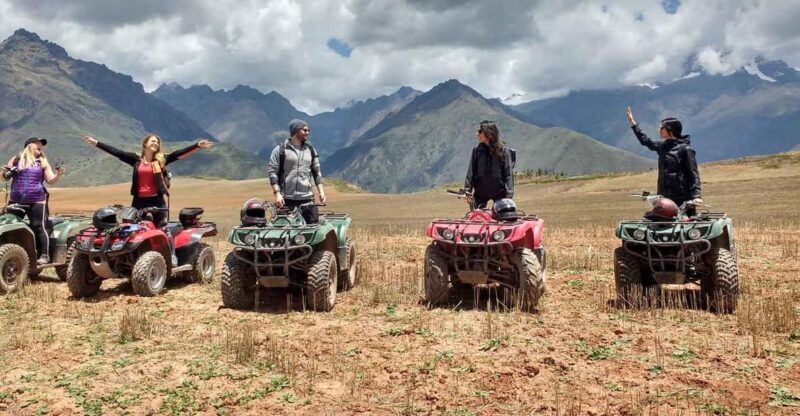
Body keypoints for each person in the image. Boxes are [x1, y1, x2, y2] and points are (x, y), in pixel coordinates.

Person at [82, 134, 214, 225]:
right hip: (138, 202)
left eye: (157, 142)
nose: (156, 143)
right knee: (135, 230)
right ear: (145, 144)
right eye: (153, 141)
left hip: (157, 201)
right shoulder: (135, 159)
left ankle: (168, 254)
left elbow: (178, 154)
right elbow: (117, 153)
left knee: (160, 229)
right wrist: (97, 143)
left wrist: (197, 145)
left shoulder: (162, 160)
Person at [626, 107, 703, 215]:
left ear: (670, 129)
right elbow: (646, 141)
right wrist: (633, 124)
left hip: (683, 198)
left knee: (684, 224)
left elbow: (693, 174)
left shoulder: (685, 149)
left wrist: (696, 196)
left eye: (662, 127)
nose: (659, 129)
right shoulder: (662, 147)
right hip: (664, 198)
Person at [1, 137, 65, 264]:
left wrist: (58, 175)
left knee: (39, 226)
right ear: (29, 146)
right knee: (7, 223)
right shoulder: (16, 160)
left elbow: (50, 180)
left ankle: (45, 256)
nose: (41, 146)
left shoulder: (42, 162)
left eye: (42, 144)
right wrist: (3, 172)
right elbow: (4, 178)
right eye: (38, 144)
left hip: (37, 200)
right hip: (16, 200)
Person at [267, 119, 326, 224]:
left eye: (308, 130)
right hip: (286, 200)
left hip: (308, 200)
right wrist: (277, 194)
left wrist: (321, 192)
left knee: (313, 229)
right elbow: (272, 173)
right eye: (305, 130)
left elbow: (317, 172)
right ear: (296, 131)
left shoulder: (311, 150)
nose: (307, 133)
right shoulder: (280, 150)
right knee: (284, 230)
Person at [463, 120, 514, 209]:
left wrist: (509, 194)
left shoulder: (503, 151)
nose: (477, 134)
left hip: (500, 193)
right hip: (480, 193)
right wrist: (467, 191)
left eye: (480, 131)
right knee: (475, 216)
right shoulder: (477, 151)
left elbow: (508, 174)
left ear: (488, 133)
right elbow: (471, 172)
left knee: (503, 215)